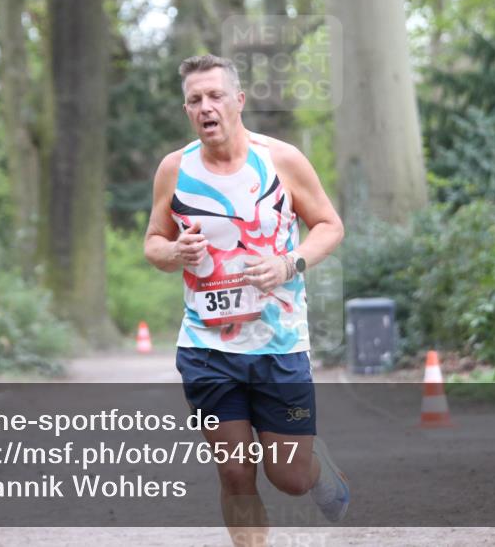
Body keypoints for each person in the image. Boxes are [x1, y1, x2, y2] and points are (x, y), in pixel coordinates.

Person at [144, 54, 349, 545]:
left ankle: (316, 468)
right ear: (187, 109)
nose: (205, 107)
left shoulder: (281, 161)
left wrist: (288, 263)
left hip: (279, 345)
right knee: (235, 474)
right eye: (195, 100)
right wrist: (173, 251)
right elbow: (153, 241)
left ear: (238, 101)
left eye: (215, 96)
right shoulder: (175, 169)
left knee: (290, 479)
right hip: (208, 349)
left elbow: (329, 225)